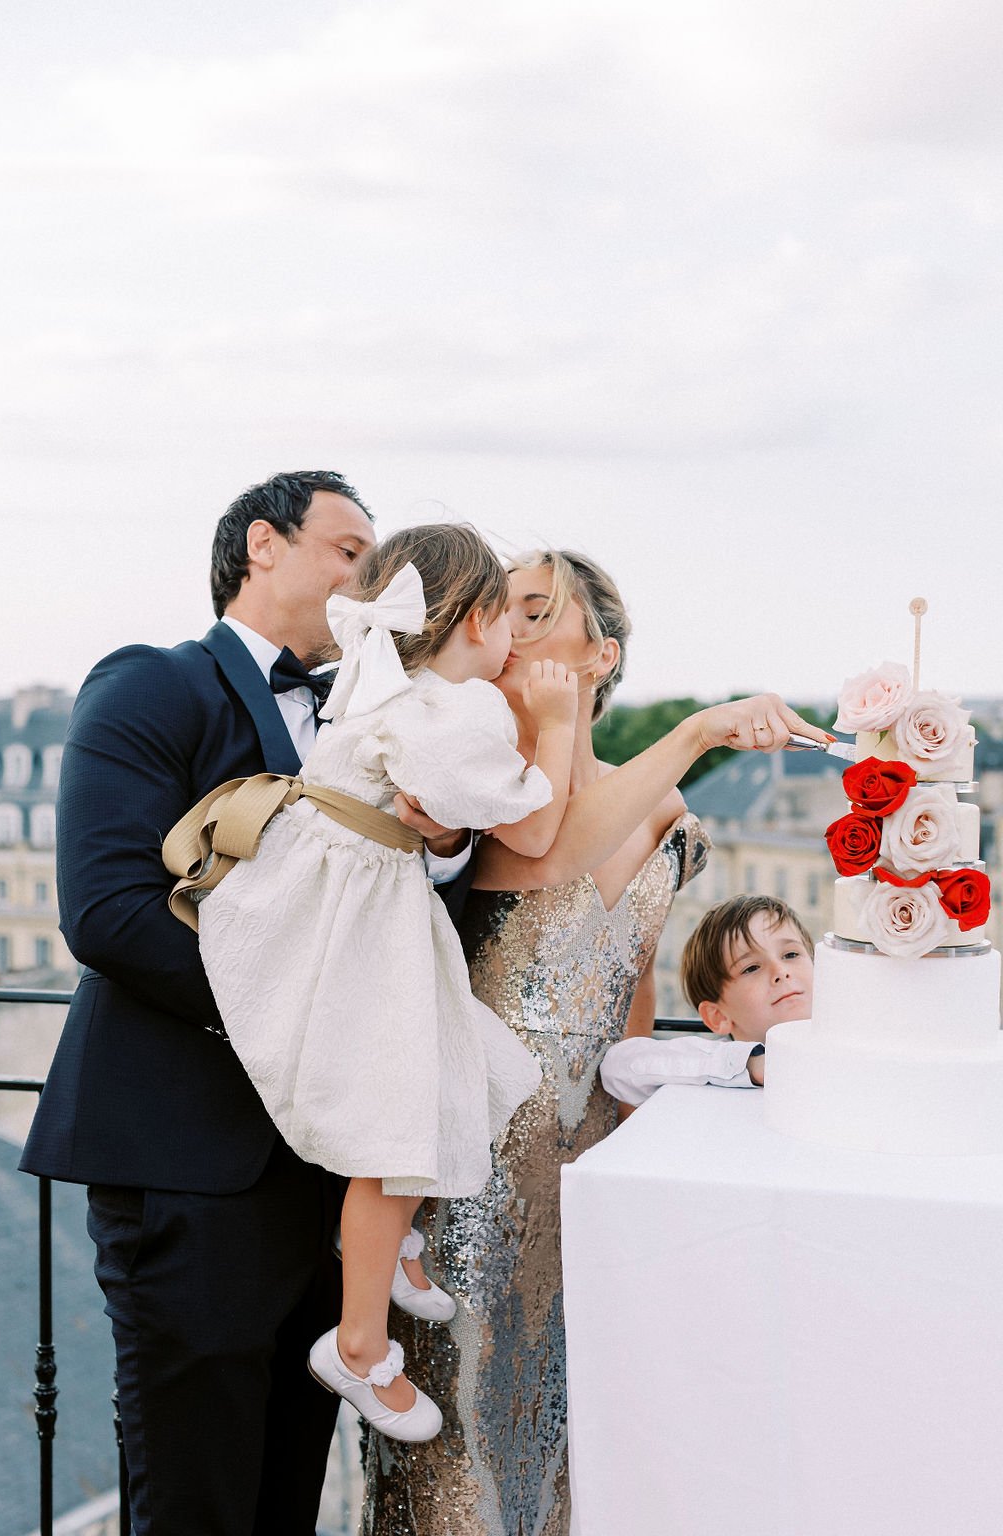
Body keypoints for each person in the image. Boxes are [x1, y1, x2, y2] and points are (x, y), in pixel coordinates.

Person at [18, 471, 470, 1536]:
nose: (375, 576)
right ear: (262, 546)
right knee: (193, 1499)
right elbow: (109, 912)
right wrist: (303, 1024)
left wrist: (443, 843)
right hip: (191, 1168)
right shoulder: (150, 684)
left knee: (283, 1497)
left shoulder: (385, 720)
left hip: (327, 1186)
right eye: (352, 549)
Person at [362, 550, 827, 1536]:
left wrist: (629, 1150)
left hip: (591, 1169)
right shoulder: (476, 796)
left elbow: (639, 986)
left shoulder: (664, 815)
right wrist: (701, 729)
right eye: (499, 610)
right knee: (464, 1453)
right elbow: (552, 843)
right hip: (469, 1168)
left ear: (598, 652)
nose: (509, 625)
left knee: (580, 1438)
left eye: (534, 608)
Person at [191, 524, 579, 1443]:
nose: (513, 647)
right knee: (399, 1118)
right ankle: (359, 1345)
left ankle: (389, 1246)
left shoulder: (381, 681)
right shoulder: (454, 709)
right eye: (508, 627)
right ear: (478, 619)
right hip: (364, 913)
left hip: (349, 897)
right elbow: (529, 822)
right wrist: (555, 730)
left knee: (438, 1079)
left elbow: (428, 806)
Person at [601, 894, 816, 1108]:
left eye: (791, 954)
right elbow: (618, 1066)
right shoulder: (710, 1068)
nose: (781, 971)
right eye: (751, 968)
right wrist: (750, 1064)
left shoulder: (847, 1041)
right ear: (718, 1016)